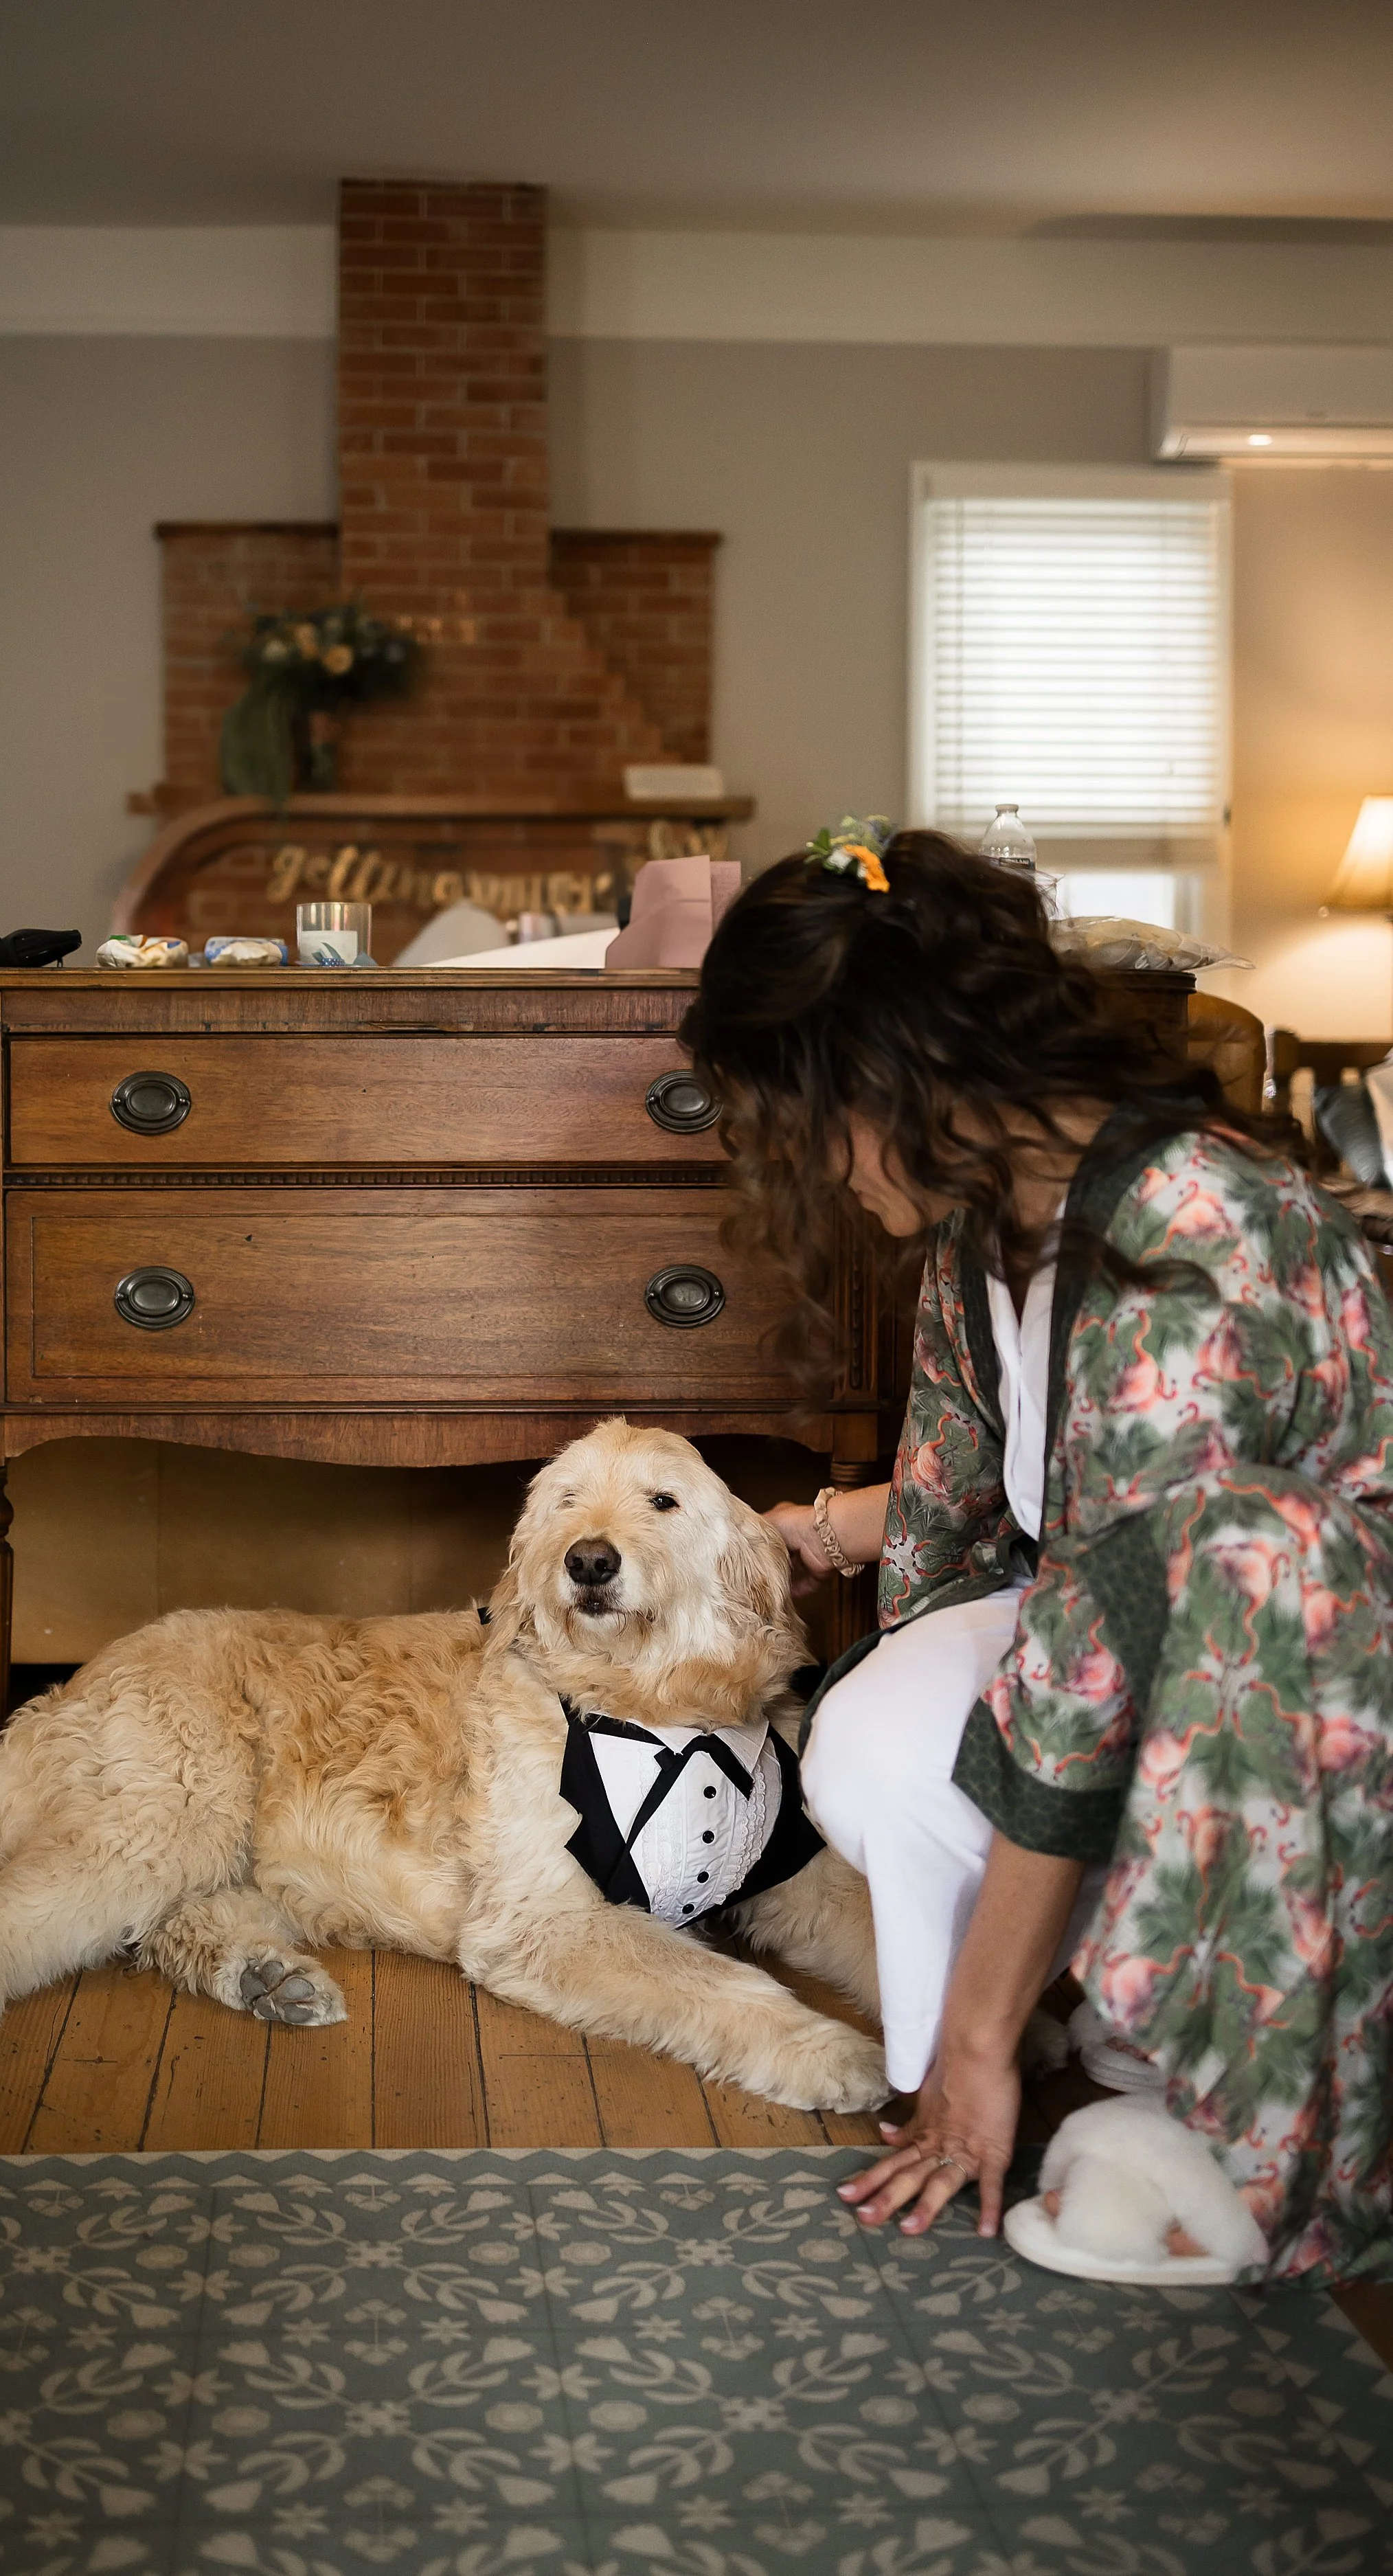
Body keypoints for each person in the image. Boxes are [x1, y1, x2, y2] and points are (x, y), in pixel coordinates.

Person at [681, 830, 1393, 2285]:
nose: (807, 1169)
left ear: (878, 1077)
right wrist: (797, 1530)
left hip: (1317, 1695)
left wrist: (977, 2038)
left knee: (1211, 1572)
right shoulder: (983, 1226)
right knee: (872, 1734)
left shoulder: (1190, 1229)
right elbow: (967, 1506)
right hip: (1152, 1646)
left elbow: (1103, 1638)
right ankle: (1025, 2049)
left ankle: (1244, 2117)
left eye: (800, 1123)